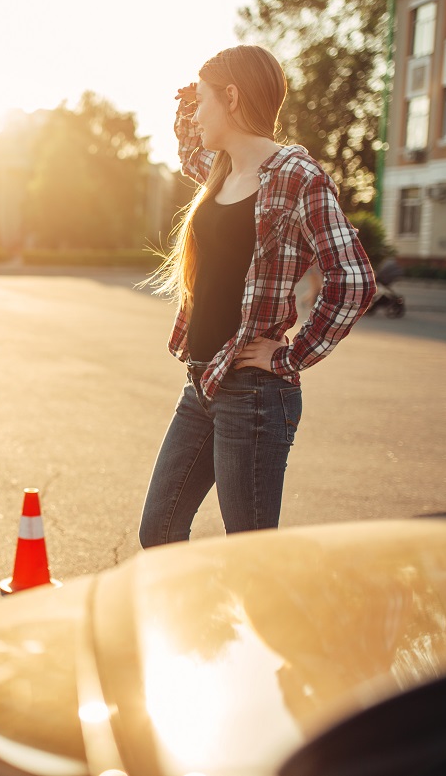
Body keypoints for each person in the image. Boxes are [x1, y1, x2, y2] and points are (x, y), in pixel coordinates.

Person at [139, 45, 375, 548]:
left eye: (204, 101)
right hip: (203, 381)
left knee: (250, 555)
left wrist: (291, 355)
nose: (197, 114)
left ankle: (269, 628)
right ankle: (206, 627)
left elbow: (352, 279)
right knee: (158, 531)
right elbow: (188, 146)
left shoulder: (295, 176)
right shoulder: (222, 169)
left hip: (254, 394)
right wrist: (188, 99)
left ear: (232, 97)